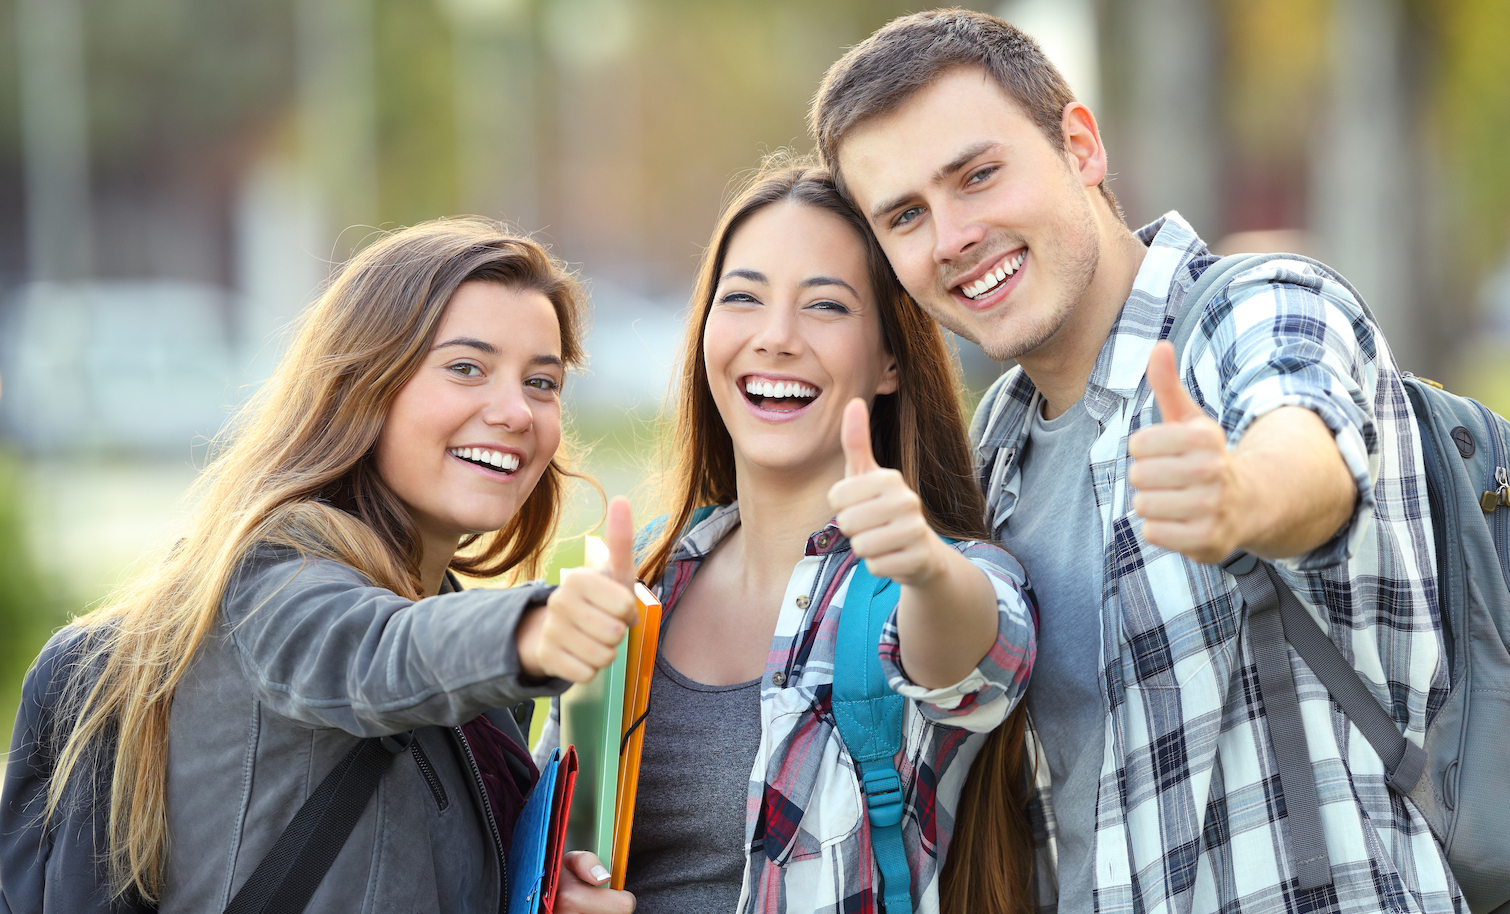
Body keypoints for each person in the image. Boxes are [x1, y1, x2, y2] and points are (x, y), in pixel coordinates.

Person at [808, 9, 1460, 914]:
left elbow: (1308, 449)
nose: (952, 236)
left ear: (1080, 147)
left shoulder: (1251, 307)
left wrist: (1240, 498)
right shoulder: (997, 449)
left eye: (980, 176)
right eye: (908, 214)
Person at [0, 217, 642, 914]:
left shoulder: (459, 674)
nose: (517, 411)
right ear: (363, 384)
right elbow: (372, 652)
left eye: (542, 382)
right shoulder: (271, 582)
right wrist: (533, 630)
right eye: (466, 368)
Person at [564, 158, 1037, 914]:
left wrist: (920, 567)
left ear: (889, 359)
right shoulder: (648, 577)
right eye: (743, 298)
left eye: (825, 307)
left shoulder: (937, 578)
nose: (775, 338)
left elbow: (979, 658)